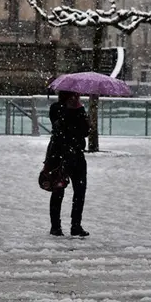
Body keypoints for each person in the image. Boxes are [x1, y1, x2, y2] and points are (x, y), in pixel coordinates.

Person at [45, 90, 91, 237]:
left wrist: (81, 115)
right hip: (59, 155)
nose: (77, 97)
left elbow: (84, 132)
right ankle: (55, 226)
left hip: (76, 153)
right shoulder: (56, 108)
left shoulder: (80, 109)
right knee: (58, 190)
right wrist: (69, 111)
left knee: (80, 190)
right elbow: (58, 128)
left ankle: (76, 225)